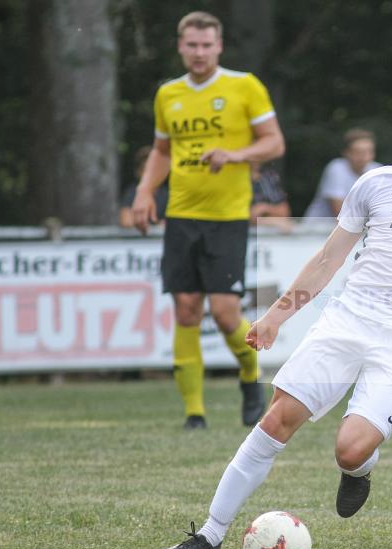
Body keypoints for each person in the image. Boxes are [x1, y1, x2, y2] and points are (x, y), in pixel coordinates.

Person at [159, 95, 392, 549]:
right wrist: (275, 314)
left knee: (350, 450)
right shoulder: (377, 183)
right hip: (350, 320)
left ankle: (359, 470)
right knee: (276, 420)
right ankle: (209, 533)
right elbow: (329, 258)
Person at [131, 11, 286, 430]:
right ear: (180, 47)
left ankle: (250, 375)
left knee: (222, 311)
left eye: (206, 45)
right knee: (184, 308)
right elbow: (162, 150)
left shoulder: (243, 86)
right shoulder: (168, 94)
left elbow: (274, 142)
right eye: (191, 45)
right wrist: (146, 191)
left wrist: (235, 155)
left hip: (229, 216)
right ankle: (194, 414)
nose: (199, 52)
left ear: (219, 47)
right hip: (181, 214)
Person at [302, 128, 381, 219]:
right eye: (358, 152)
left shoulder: (378, 170)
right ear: (346, 153)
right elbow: (340, 213)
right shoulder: (336, 168)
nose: (363, 156)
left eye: (368, 151)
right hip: (317, 229)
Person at [118, 146, 168, 228]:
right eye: (145, 170)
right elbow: (126, 220)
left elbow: (173, 223)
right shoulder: (131, 192)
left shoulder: (167, 194)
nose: (150, 175)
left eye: (153, 171)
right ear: (138, 171)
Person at [249, 161, 293, 232]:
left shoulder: (268, 178)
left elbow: (284, 211)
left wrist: (264, 208)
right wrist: (274, 222)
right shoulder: (235, 180)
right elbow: (249, 217)